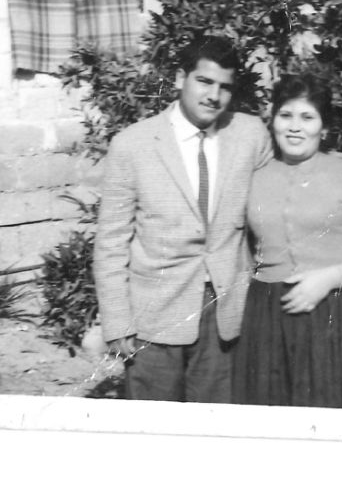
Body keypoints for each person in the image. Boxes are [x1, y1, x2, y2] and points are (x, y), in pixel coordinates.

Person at [93, 35, 272, 403]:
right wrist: (116, 322)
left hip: (225, 315)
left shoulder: (249, 135)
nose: (214, 96)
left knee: (218, 431)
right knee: (154, 434)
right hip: (152, 319)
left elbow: (275, 216)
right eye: (204, 81)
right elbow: (111, 242)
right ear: (179, 78)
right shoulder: (133, 145)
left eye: (224, 87)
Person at [232, 73, 342, 410]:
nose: (294, 127)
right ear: (272, 122)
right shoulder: (254, 179)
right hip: (270, 324)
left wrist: (327, 279)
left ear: (324, 128)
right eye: (285, 115)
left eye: (307, 117)